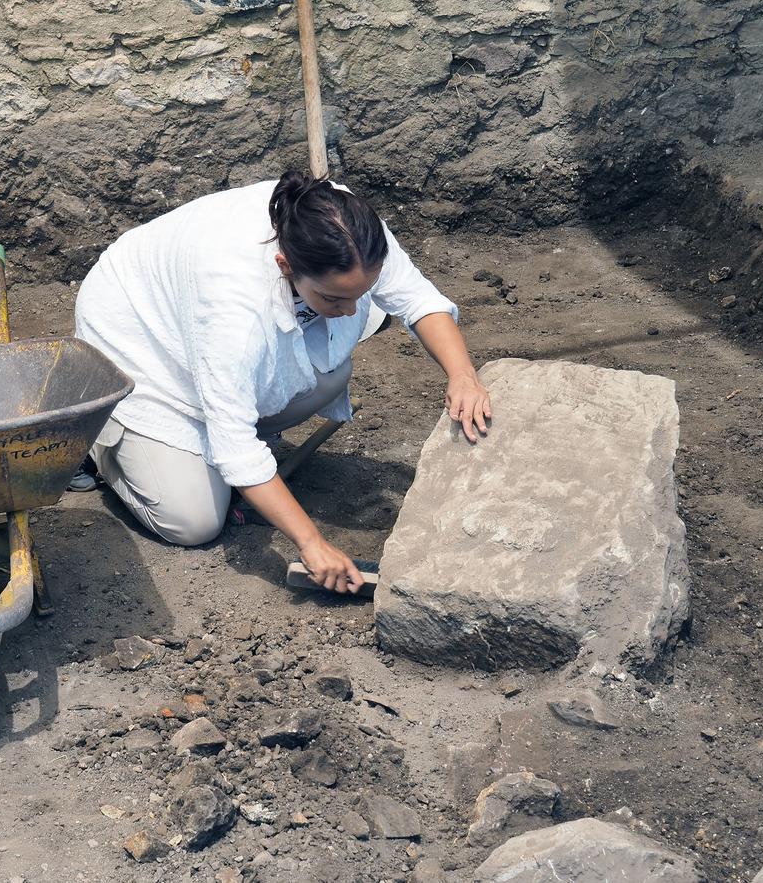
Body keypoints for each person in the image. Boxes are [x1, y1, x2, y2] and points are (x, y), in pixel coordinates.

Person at [73, 171, 491, 594]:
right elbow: (234, 442)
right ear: (285, 266)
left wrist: (463, 376)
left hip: (217, 344)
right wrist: (310, 542)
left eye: (358, 295)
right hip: (139, 342)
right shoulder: (232, 306)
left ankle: (212, 447)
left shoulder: (352, 230)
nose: (350, 312)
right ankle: (104, 442)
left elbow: (418, 299)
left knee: (331, 375)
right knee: (193, 522)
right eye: (334, 298)